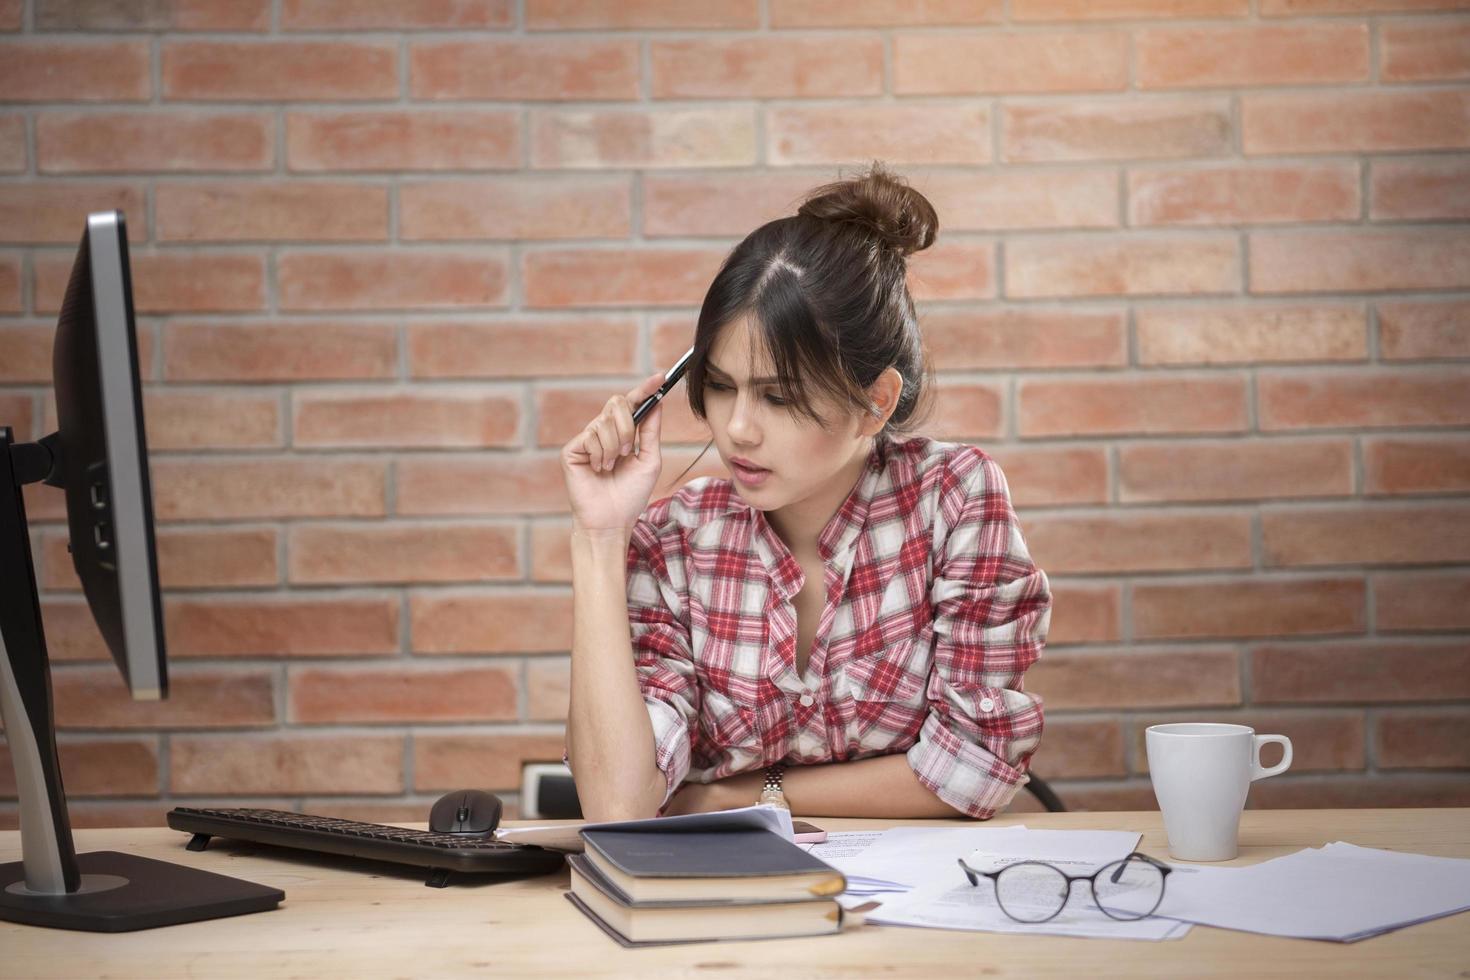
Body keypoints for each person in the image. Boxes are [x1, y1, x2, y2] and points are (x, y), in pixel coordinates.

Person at [560, 162, 1051, 823]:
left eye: (778, 396)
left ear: (875, 404)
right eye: (723, 386)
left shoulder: (955, 502)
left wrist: (728, 798)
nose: (736, 429)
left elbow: (973, 767)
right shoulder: (675, 539)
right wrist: (598, 539)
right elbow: (620, 807)